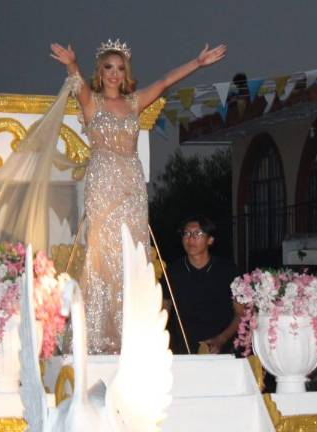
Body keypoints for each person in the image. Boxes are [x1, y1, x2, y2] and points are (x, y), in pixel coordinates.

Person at [50, 40, 226, 354]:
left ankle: (131, 332)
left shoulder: (134, 102)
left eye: (120, 68)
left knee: (132, 252)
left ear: (125, 73)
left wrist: (197, 63)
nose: (115, 74)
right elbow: (77, 84)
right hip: (104, 184)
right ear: (100, 73)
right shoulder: (92, 102)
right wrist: (71, 64)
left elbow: (164, 82)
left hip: (131, 185)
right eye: (108, 68)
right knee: (102, 255)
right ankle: (98, 335)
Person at [162, 215, 243, 354]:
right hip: (183, 351)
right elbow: (163, 311)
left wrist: (221, 339)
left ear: (210, 240)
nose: (191, 238)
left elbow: (241, 313)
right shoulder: (172, 272)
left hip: (222, 350)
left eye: (198, 233)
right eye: (186, 233)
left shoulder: (228, 270)